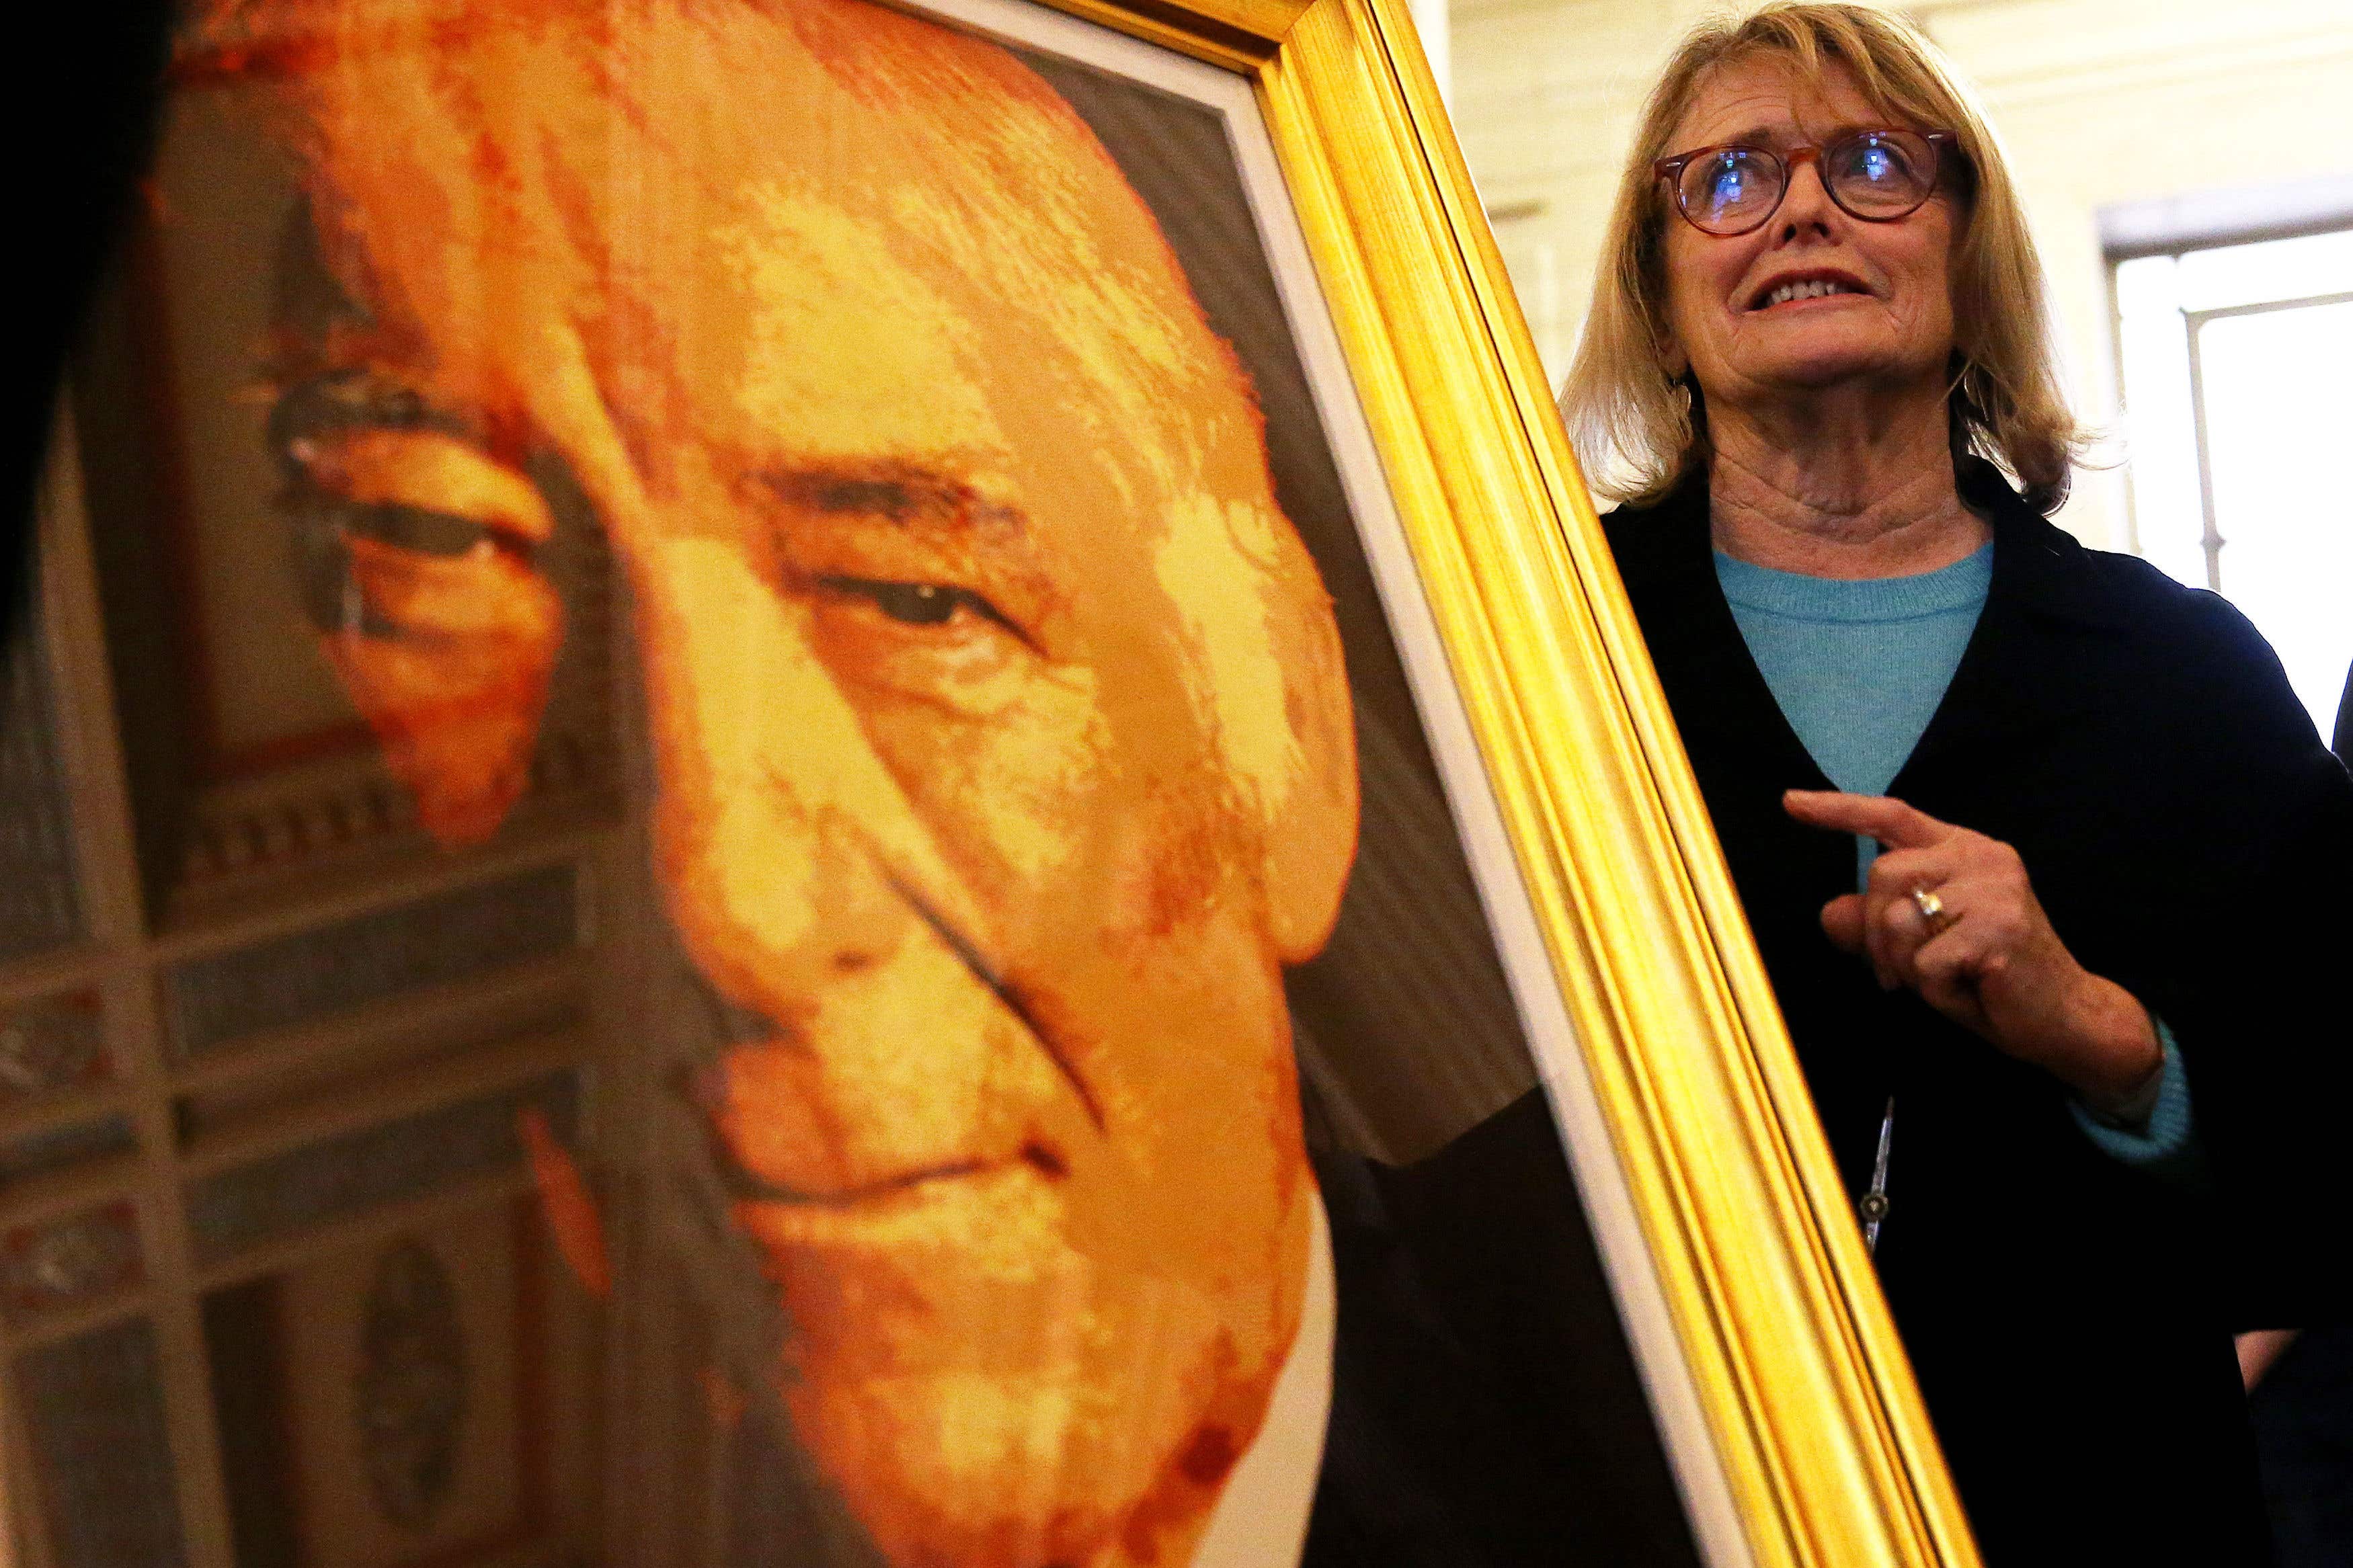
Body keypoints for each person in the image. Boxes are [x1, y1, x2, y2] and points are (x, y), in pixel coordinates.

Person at [174, 1, 1694, 1564]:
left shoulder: (1681, 1397)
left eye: (917, 602)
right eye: (444, 547)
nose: (735, 901)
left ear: (1287, 738)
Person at [1558, 3, 2353, 1563]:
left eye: (1869, 165)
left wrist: (2113, 1044)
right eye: (1726, 178)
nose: (1796, 209)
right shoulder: (1526, 651)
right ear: (1657, 292)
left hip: (2093, 1500)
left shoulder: (2179, 676)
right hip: (1638, 1488)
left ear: (1966, 252)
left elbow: (2335, 1149)